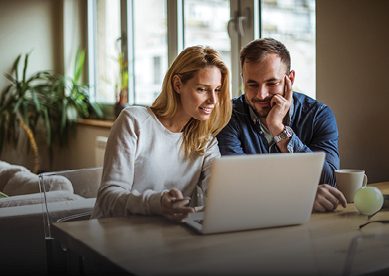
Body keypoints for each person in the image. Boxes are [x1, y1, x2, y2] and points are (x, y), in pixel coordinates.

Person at [91, 46, 232, 221]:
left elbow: (218, 193)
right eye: (202, 89)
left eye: (217, 90)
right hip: (113, 235)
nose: (213, 100)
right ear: (177, 84)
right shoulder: (134, 121)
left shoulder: (206, 141)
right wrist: (157, 203)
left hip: (167, 237)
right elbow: (108, 198)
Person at [217, 38, 346, 212]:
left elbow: (329, 181)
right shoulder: (229, 116)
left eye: (271, 83)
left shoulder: (318, 115)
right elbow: (237, 186)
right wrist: (301, 195)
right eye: (252, 84)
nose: (261, 95)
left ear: (290, 79)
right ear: (243, 79)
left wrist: (278, 128)